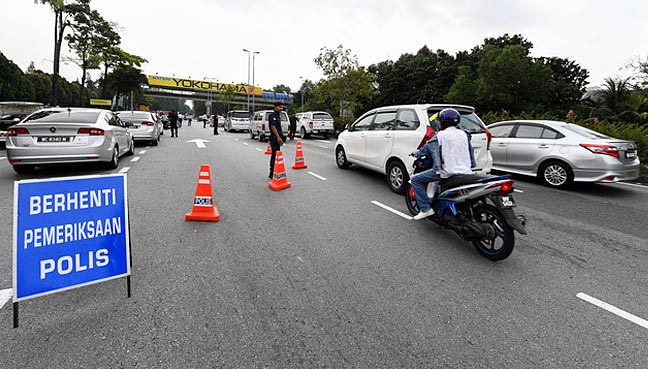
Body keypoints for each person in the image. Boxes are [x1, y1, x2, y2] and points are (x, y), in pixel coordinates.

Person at [410, 108, 476, 220]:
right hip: (466, 171)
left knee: (415, 180)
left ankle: (426, 209)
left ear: (443, 122)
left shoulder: (440, 135)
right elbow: (470, 153)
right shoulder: (464, 134)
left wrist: (416, 153)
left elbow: (426, 149)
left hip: (447, 172)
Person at [268, 102, 286, 179]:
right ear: (275, 107)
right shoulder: (273, 115)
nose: (281, 108)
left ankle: (275, 171)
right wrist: (278, 137)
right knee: (274, 155)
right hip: (274, 138)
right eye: (279, 107)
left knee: (276, 154)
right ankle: (271, 172)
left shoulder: (278, 116)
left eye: (281, 107)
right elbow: (273, 126)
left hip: (277, 138)